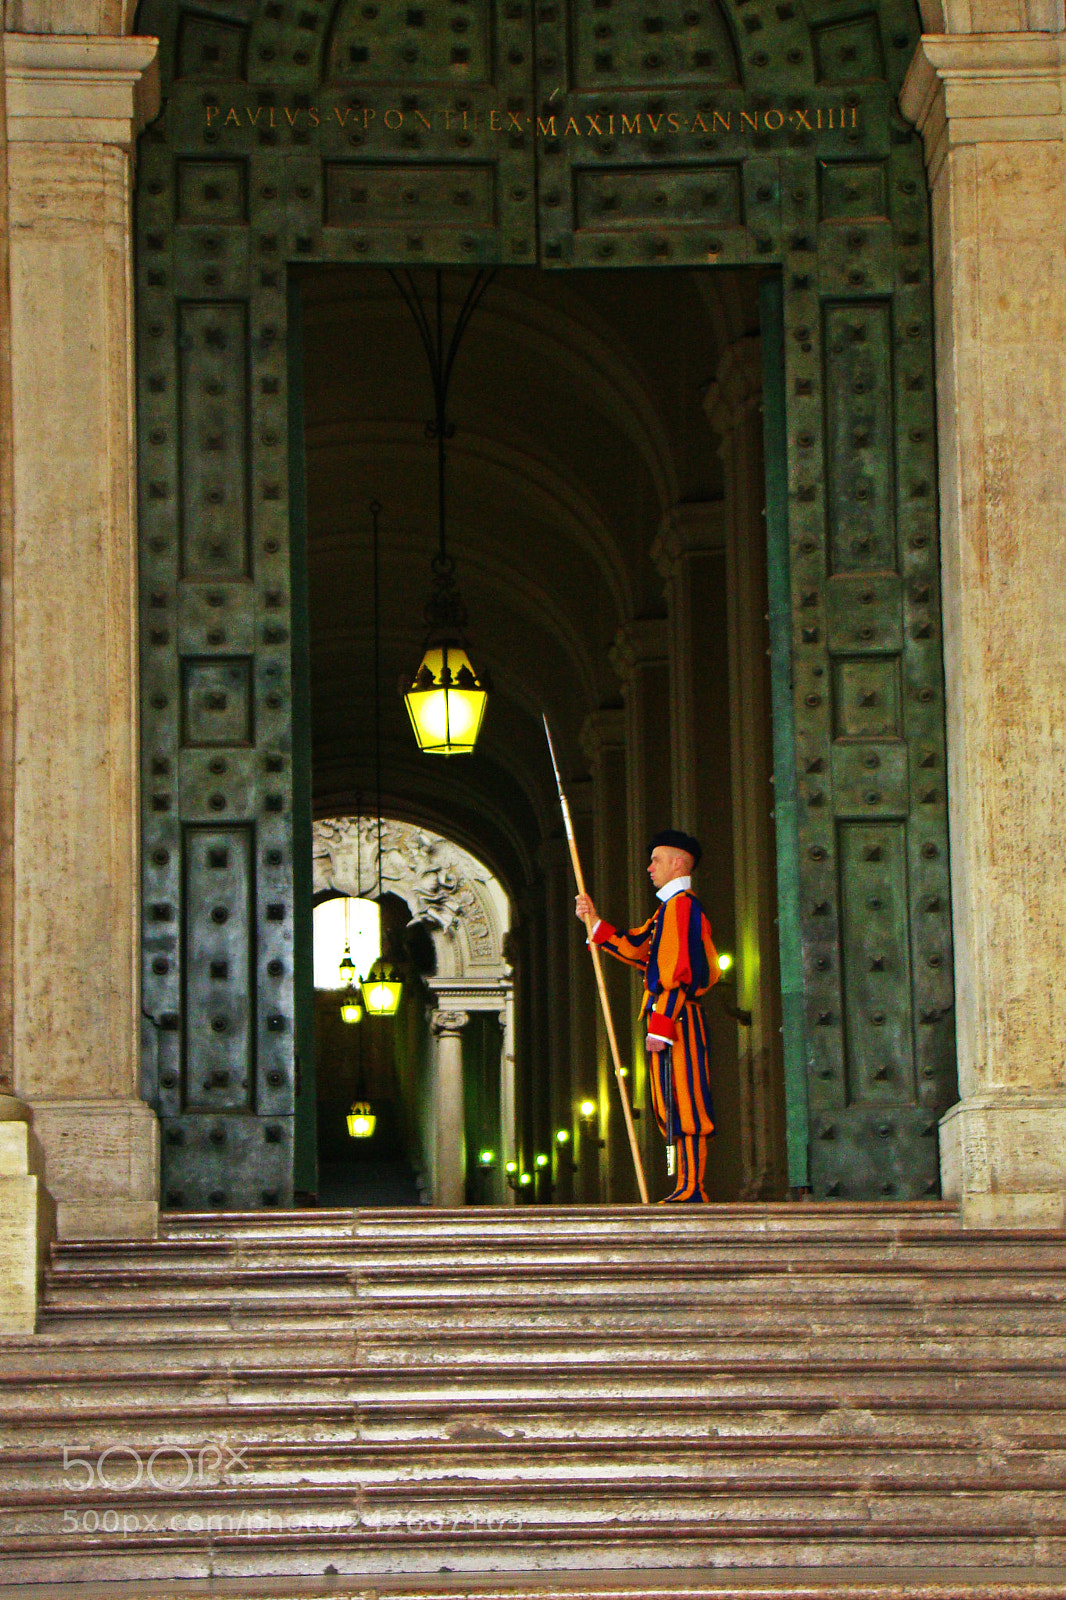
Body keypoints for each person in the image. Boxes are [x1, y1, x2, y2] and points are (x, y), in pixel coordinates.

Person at [575, 830, 719, 1203]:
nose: (649, 867)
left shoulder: (682, 907)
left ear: (677, 862)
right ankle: (684, 1184)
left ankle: (692, 1187)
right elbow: (639, 947)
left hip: (678, 1020)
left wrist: (662, 1024)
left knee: (687, 1103)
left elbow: (678, 971)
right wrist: (593, 922)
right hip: (672, 1021)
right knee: (670, 1102)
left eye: (656, 859)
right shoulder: (666, 911)